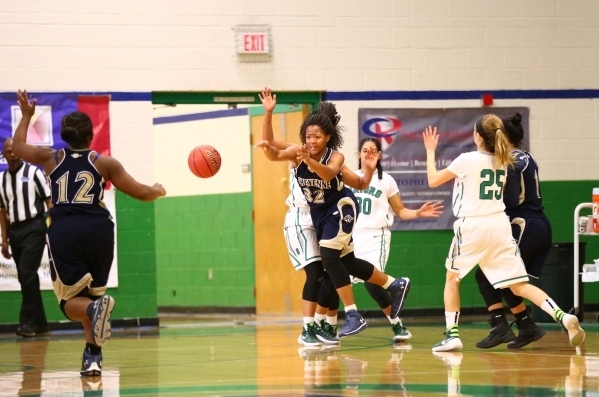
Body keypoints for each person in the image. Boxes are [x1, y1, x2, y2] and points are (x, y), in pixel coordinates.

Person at [12, 90, 166, 376]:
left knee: (70, 302)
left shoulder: (51, 158)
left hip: (66, 230)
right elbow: (142, 193)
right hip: (99, 230)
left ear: (65, 135)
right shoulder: (105, 163)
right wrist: (156, 190)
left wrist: (26, 116)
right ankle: (92, 356)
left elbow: (18, 146)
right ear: (90, 136)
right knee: (93, 299)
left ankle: (93, 344)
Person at [422, 114, 584, 352]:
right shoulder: (503, 160)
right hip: (499, 225)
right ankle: (562, 316)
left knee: (452, 278)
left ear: (477, 136)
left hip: (473, 225)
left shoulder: (467, 159)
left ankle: (452, 335)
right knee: (519, 285)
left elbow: (433, 180)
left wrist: (430, 151)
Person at [255, 96, 411, 338]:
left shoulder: (334, 157)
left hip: (340, 208)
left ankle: (351, 314)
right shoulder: (299, 152)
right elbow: (274, 151)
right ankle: (394, 284)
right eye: (308, 136)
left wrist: (366, 169)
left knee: (328, 259)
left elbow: (330, 175)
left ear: (327, 136)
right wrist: (267, 132)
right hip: (320, 213)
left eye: (316, 136)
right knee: (347, 263)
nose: (311, 140)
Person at [350, 137, 443, 342]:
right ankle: (330, 326)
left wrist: (418, 213)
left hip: (376, 236)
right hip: (353, 237)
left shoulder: (386, 180)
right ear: (358, 154)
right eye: (365, 150)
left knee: (373, 283)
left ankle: (398, 326)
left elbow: (400, 211)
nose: (369, 153)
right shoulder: (351, 178)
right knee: (337, 282)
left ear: (380, 155)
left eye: (373, 150)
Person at [475, 112, 552, 349]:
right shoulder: (527, 156)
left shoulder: (508, 160)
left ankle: (504, 326)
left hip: (523, 224)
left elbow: (510, 201)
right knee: (508, 280)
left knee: (489, 275)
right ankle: (526, 325)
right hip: (540, 223)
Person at [0, 138, 52, 337]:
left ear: (20, 153)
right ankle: (41, 324)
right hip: (15, 231)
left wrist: (50, 229)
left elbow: (49, 202)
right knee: (26, 277)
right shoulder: (1, 180)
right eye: (8, 152)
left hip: (34, 227)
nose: (12, 155)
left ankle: (27, 324)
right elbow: (2, 212)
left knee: (26, 272)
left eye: (15, 151)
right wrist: (4, 240)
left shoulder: (34, 173)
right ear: (3, 155)